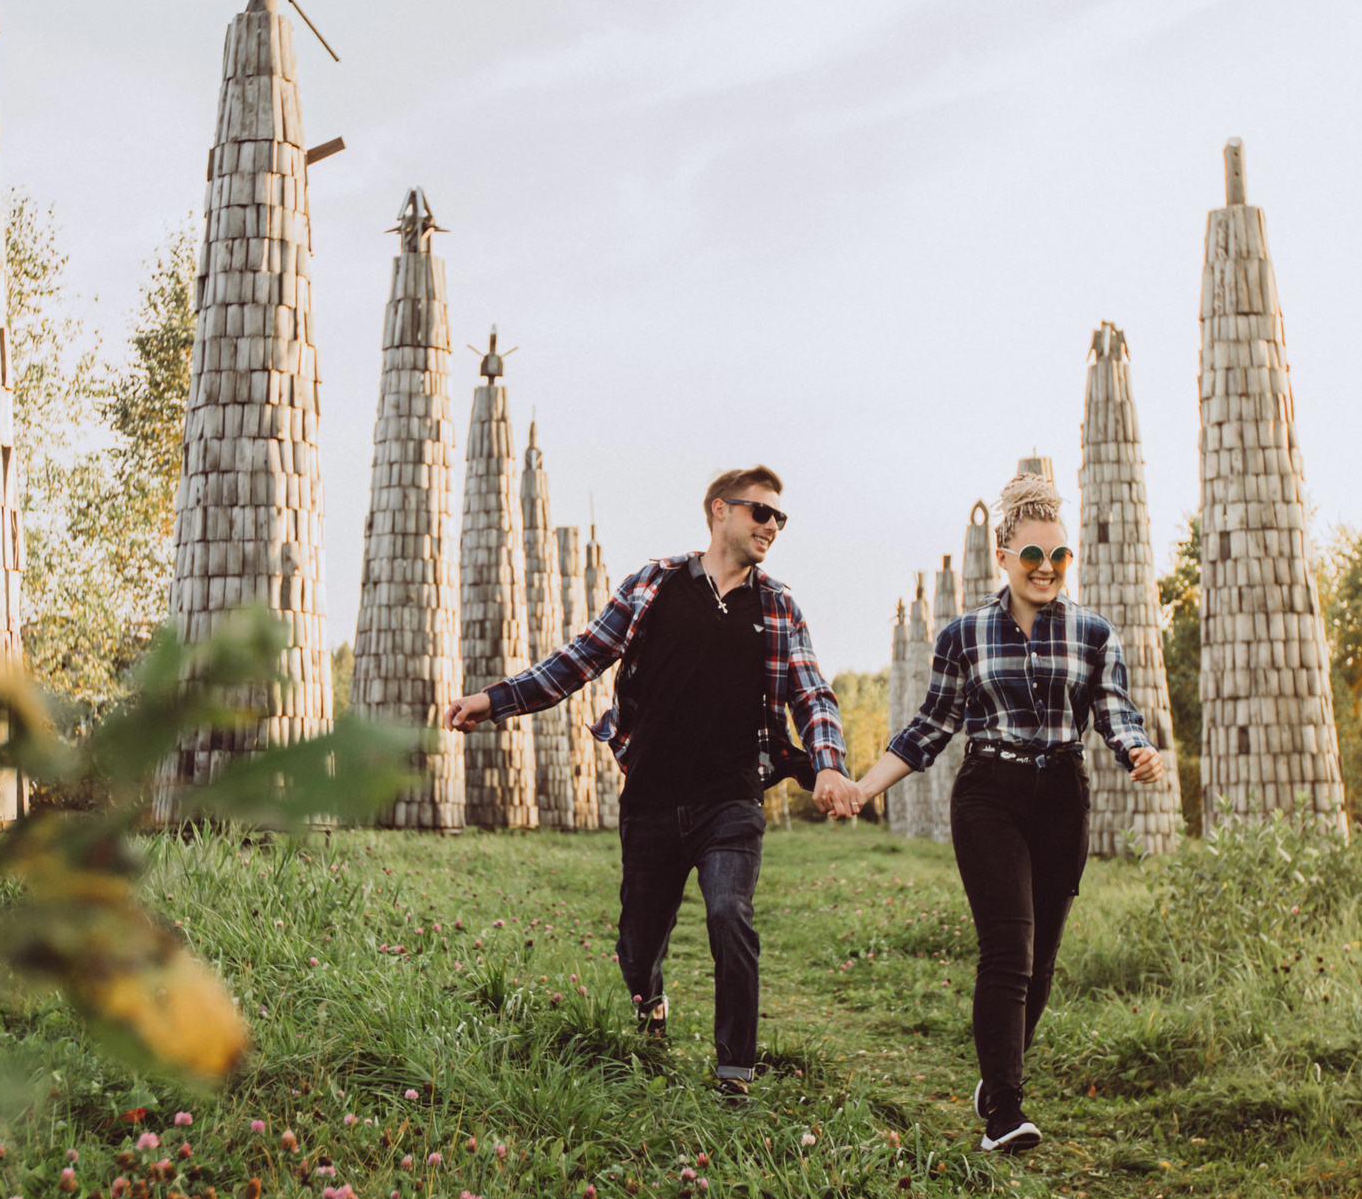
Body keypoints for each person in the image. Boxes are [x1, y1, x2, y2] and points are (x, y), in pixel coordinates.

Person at [447, 465, 852, 1101]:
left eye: (779, 518)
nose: (771, 526)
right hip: (653, 798)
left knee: (730, 914)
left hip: (731, 800)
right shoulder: (653, 585)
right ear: (719, 510)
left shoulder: (776, 606)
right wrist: (494, 700)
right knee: (637, 945)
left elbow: (812, 692)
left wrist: (827, 762)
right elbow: (577, 659)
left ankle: (734, 1074)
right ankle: (650, 1003)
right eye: (759, 513)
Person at [815, 471, 1166, 1153]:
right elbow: (928, 728)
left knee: (1042, 962)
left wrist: (1138, 750)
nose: (1046, 569)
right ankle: (1004, 1108)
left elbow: (1115, 714)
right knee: (1009, 948)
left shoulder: (1095, 634)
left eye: (1059, 556)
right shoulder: (965, 635)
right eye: (1031, 555)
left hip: (1063, 796)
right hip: (989, 794)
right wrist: (863, 787)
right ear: (1003, 557)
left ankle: (996, 1071)